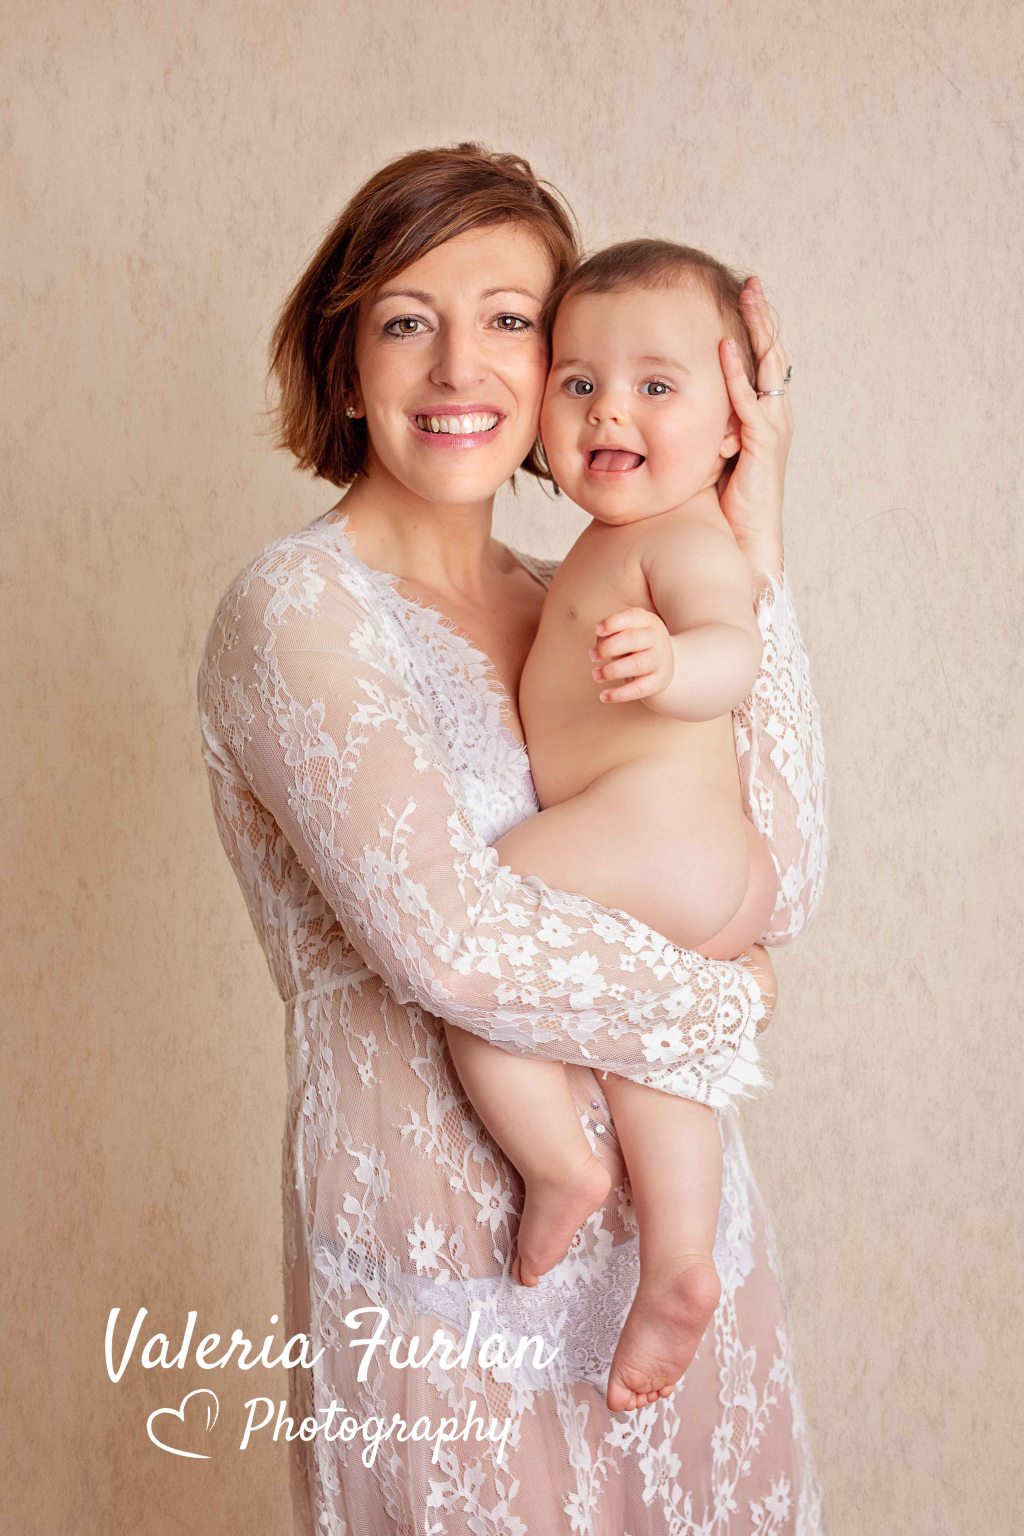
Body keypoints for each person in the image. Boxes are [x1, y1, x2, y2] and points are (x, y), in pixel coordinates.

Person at [197, 143, 828, 1535]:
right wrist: (722, 997)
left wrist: (751, 498)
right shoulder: (298, 616)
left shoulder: (586, 593)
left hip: (680, 1264)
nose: (458, 368)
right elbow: (455, 939)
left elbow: (781, 860)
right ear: (347, 362)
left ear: (563, 365)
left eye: (510, 322)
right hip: (450, 1284)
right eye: (407, 321)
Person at [442, 236, 787, 1416]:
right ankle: (678, 1263)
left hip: (655, 831)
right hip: (682, 868)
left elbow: (738, 652)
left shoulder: (683, 538)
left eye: (655, 385)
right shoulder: (595, 544)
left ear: (732, 423)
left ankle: (560, 1166)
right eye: (578, 382)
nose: (608, 410)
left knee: (472, 938)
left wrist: (670, 662)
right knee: (655, 1053)